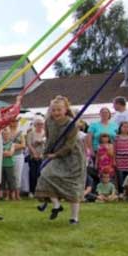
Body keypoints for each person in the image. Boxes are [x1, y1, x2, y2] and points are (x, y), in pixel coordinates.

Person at [35, 96, 86, 225]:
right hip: (55, 154)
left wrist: (56, 154)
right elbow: (50, 139)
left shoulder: (71, 124)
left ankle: (74, 217)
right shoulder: (49, 122)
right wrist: (46, 153)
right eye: (53, 110)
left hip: (72, 156)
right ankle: (57, 205)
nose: (56, 113)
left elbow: (69, 145)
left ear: (65, 110)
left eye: (59, 110)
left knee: (72, 186)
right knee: (45, 175)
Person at [26, 115, 46, 196]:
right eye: (38, 124)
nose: (40, 125)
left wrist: (41, 154)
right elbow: (29, 144)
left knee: (41, 174)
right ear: (35, 124)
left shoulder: (45, 133)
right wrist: (34, 153)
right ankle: (32, 191)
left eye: (41, 124)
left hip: (42, 156)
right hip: (32, 156)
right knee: (33, 174)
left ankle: (40, 191)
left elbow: (47, 144)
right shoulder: (31, 133)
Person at [9, 118, 25, 200]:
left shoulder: (20, 132)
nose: (14, 123)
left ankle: (17, 194)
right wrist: (15, 146)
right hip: (8, 156)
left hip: (18, 155)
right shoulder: (6, 131)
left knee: (18, 175)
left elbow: (23, 145)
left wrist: (13, 146)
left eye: (16, 121)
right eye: (13, 121)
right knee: (10, 175)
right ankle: (10, 193)